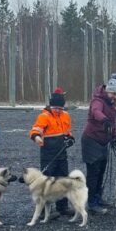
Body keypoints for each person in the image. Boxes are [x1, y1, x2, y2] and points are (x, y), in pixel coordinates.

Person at [29, 87, 75, 219]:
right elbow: (35, 130)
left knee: (63, 180)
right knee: (46, 182)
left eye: (60, 108)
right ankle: (42, 210)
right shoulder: (44, 116)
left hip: (62, 154)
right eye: (56, 108)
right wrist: (37, 137)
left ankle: (62, 207)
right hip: (48, 155)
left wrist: (70, 139)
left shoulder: (66, 116)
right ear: (51, 105)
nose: (58, 110)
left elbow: (67, 132)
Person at [81, 73, 116, 214]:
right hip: (91, 140)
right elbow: (96, 111)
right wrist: (104, 120)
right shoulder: (97, 100)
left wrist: (115, 135)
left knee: (101, 171)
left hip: (104, 142)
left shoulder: (112, 103)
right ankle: (91, 203)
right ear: (107, 90)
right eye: (113, 93)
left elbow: (113, 121)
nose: (115, 96)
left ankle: (98, 197)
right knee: (93, 173)